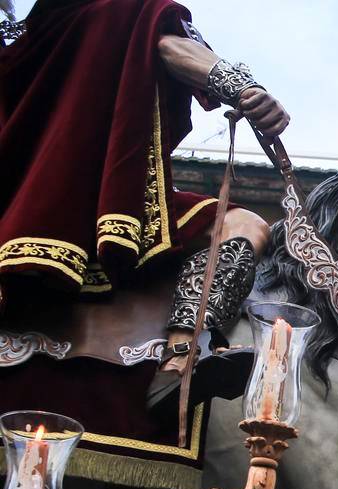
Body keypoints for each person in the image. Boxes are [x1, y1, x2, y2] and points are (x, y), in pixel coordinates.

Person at [0, 0, 289, 393]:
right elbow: (168, 46)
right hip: (50, 206)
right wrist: (244, 88)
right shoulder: (113, 9)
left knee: (241, 225)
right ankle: (182, 358)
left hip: (100, 205)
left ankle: (182, 362)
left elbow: (166, 43)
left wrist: (242, 89)